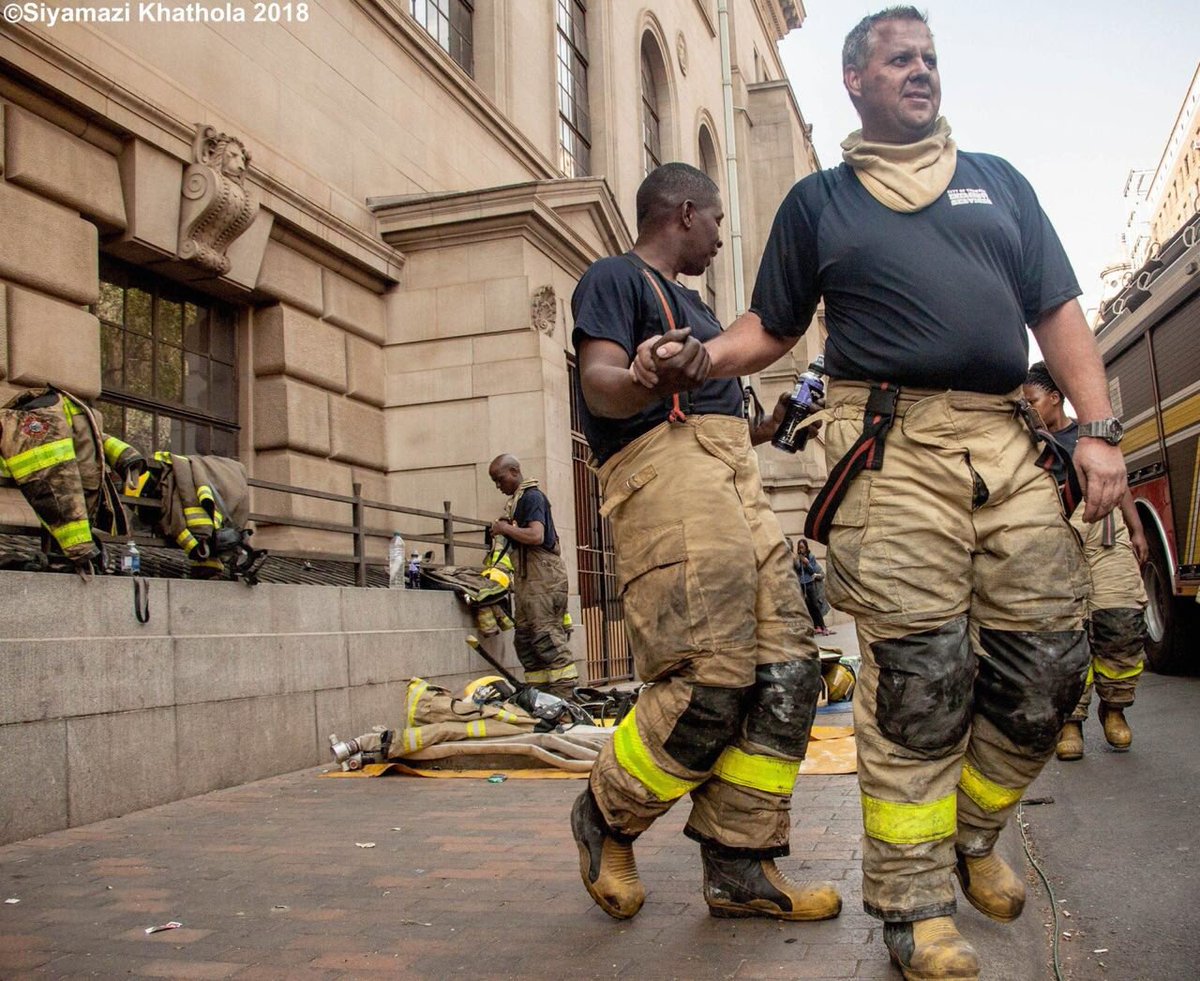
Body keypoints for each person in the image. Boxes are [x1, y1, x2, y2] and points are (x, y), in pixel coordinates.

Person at [630, 10, 1127, 979]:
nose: (921, 72)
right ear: (855, 80)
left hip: (1004, 441)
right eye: (901, 59)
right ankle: (913, 907)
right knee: (918, 682)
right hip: (892, 451)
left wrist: (1100, 429)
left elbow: (1056, 309)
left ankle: (969, 836)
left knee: (1053, 665)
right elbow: (768, 328)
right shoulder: (820, 202)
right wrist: (697, 357)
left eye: (930, 59)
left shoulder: (1001, 183)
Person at [568, 162, 841, 925]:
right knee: (709, 676)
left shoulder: (704, 314)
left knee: (789, 669)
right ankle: (606, 815)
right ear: (686, 213)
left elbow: (726, 415)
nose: (723, 237)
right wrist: (642, 377)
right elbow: (600, 382)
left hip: (732, 475)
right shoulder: (613, 278)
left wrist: (773, 422)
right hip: (666, 471)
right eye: (718, 220)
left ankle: (738, 864)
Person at [1024, 362, 1148, 759]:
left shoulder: (1090, 436)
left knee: (1120, 624)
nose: (1029, 409)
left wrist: (1139, 529)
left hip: (1106, 533)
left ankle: (1115, 709)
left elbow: (1117, 482)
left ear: (1055, 397)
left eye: (1033, 401)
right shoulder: (1026, 443)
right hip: (1056, 539)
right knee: (1066, 636)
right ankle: (1071, 722)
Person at [487, 455, 579, 700]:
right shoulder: (516, 503)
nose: (498, 486)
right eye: (495, 482)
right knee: (526, 643)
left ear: (515, 471)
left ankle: (565, 704)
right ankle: (542, 700)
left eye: (500, 479)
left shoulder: (532, 497)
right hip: (528, 584)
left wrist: (504, 528)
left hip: (544, 581)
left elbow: (536, 536)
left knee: (546, 639)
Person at [795, 539, 831, 635]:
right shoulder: (797, 558)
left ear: (806, 547)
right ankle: (816, 626)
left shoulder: (811, 557)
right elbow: (797, 569)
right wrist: (799, 561)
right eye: (799, 548)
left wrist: (807, 563)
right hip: (802, 584)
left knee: (815, 605)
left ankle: (823, 627)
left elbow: (813, 571)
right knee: (808, 606)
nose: (801, 549)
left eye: (802, 547)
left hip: (810, 583)